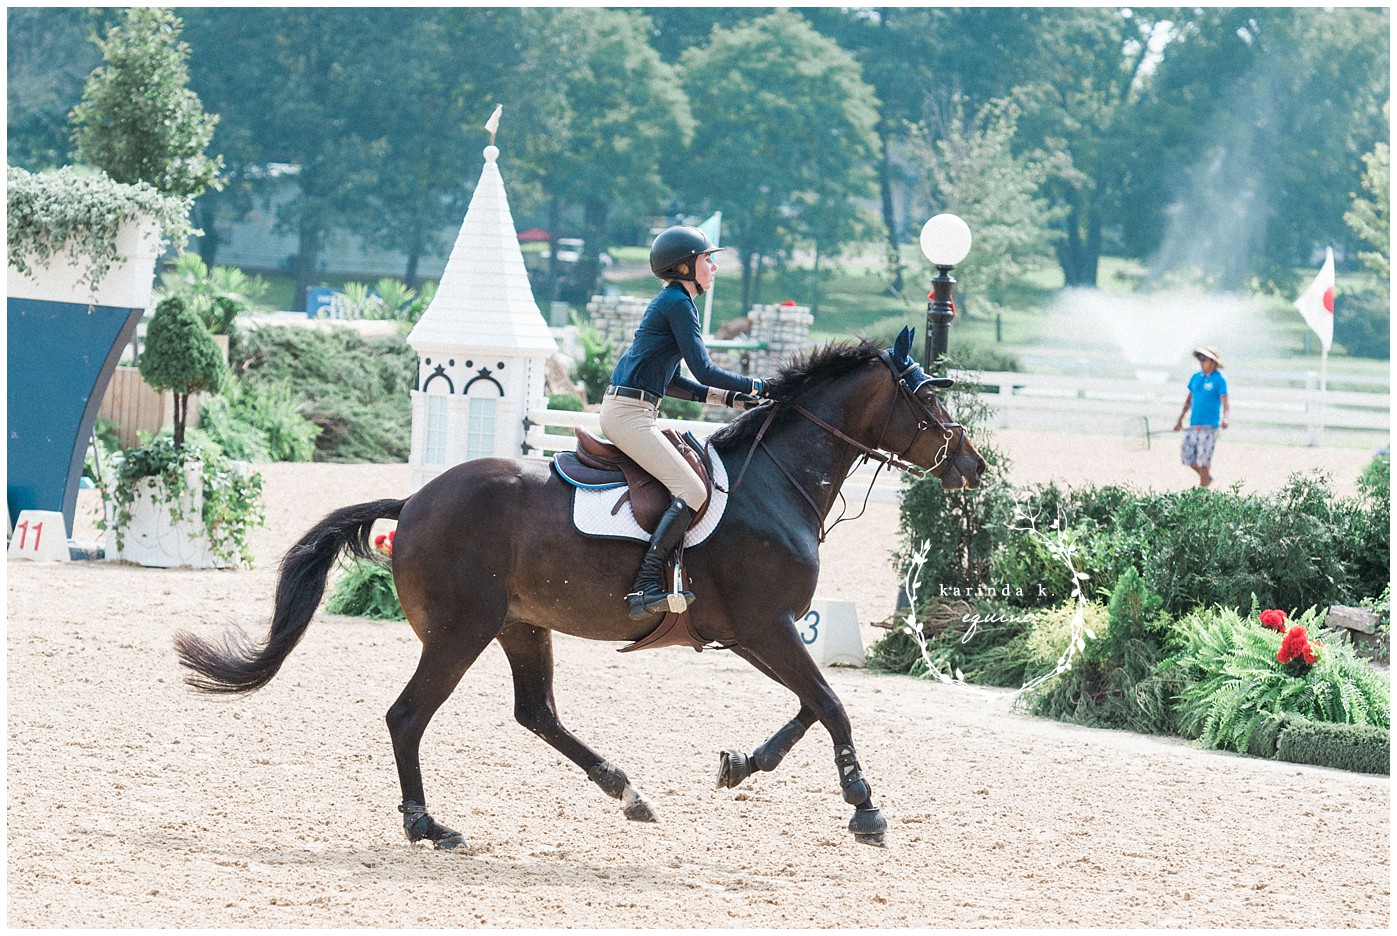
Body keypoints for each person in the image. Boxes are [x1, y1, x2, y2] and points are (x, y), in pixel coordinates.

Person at [600, 225, 768, 620]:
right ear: (684, 266)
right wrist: (758, 386)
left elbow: (672, 380)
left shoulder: (673, 301)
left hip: (636, 409)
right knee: (691, 489)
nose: (713, 266)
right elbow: (705, 369)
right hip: (629, 415)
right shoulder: (678, 304)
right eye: (707, 259)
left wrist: (727, 397)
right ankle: (643, 585)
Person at [1173, 345, 1229, 487]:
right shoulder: (1196, 377)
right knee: (1187, 456)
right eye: (1200, 358)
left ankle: (1202, 491)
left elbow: (1225, 403)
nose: (1201, 361)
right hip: (1194, 425)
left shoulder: (1219, 380)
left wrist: (1225, 418)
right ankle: (1206, 479)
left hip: (1209, 427)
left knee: (1203, 462)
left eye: (1204, 359)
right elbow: (1189, 400)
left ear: (1213, 362)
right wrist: (1180, 420)